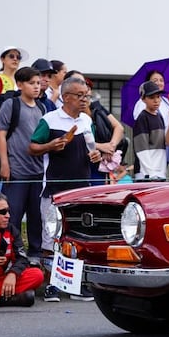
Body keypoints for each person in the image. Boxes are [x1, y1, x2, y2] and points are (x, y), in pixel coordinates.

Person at [29, 76, 101, 301]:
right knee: (52, 237)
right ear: (66, 96)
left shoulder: (86, 121)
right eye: (80, 96)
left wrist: (96, 155)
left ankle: (76, 285)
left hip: (81, 188)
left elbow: (93, 149)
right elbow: (32, 147)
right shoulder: (49, 120)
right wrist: (50, 145)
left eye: (86, 96)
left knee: (78, 237)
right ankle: (52, 284)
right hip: (54, 188)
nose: (84, 100)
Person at [0, 66, 46, 266]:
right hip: (16, 171)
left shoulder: (42, 107)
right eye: (32, 83)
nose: (36, 87)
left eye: (38, 83)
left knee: (36, 216)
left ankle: (34, 254)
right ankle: (10, 253)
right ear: (20, 84)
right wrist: (4, 164)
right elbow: (1, 134)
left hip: (38, 171)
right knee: (11, 215)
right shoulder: (11, 105)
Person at [133, 80, 167, 181]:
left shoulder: (159, 116)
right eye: (152, 97)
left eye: (158, 97)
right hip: (147, 174)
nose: (156, 100)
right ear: (143, 99)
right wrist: (151, 173)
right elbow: (141, 149)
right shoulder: (142, 118)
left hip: (159, 171)